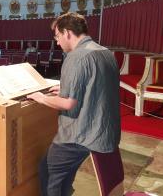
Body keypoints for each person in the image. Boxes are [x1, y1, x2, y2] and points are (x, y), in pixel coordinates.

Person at [27, 12, 121, 196]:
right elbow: (96, 85)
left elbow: (69, 104)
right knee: (64, 176)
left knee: (48, 169)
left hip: (82, 136)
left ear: (67, 33)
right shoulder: (105, 52)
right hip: (106, 132)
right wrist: (65, 88)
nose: (57, 42)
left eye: (57, 36)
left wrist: (41, 97)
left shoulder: (76, 56)